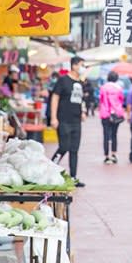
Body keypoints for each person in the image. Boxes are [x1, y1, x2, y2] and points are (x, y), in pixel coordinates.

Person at [50, 57, 87, 187]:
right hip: (63, 119)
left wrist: (82, 111)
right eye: (82, 65)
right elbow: (55, 98)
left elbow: (80, 99)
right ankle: (50, 169)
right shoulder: (63, 80)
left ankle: (73, 177)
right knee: (64, 146)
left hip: (76, 120)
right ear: (75, 66)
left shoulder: (81, 83)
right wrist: (54, 118)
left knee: (74, 149)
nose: (84, 67)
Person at [99, 71, 125, 164]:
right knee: (114, 134)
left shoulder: (103, 87)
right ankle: (113, 154)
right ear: (116, 79)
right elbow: (121, 100)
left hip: (105, 113)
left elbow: (101, 99)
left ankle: (106, 156)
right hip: (116, 114)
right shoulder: (119, 88)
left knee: (106, 135)